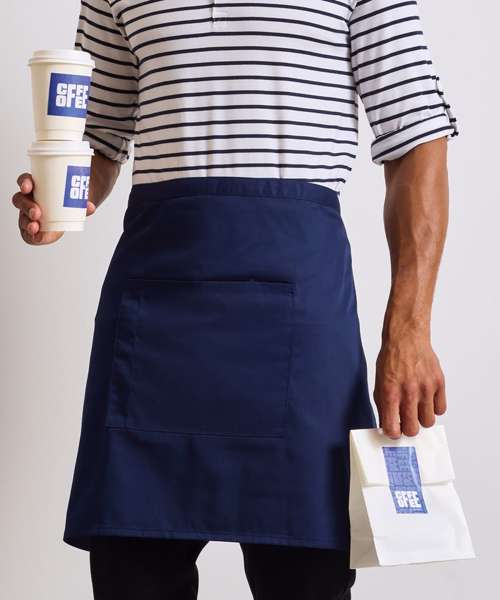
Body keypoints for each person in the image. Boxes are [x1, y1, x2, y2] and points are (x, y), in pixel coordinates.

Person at [11, 1, 456, 598]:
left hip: (302, 315)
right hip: (154, 315)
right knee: (131, 571)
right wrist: (58, 200)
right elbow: (97, 134)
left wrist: (409, 329)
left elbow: (417, 139)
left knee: (306, 576)